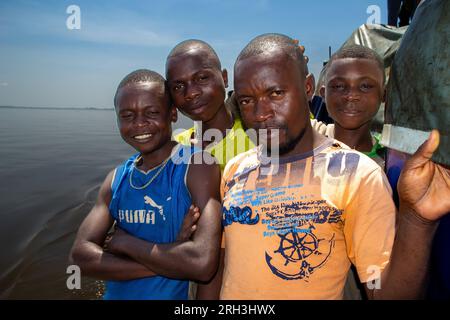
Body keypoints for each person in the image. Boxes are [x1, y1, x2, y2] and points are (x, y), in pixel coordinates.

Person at [202, 33, 450, 299]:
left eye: (275, 93)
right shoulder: (235, 169)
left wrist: (417, 222)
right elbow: (223, 266)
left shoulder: (358, 173)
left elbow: (382, 290)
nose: (261, 113)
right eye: (246, 100)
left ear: (308, 87)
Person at [69, 69, 222, 299]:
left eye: (151, 112)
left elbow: (202, 263)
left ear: (172, 114)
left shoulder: (196, 166)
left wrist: (126, 243)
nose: (139, 124)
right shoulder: (116, 179)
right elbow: (79, 258)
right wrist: (173, 254)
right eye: (127, 115)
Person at [166, 39, 255, 172]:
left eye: (202, 78)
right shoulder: (173, 147)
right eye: (178, 86)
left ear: (224, 78)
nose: (191, 93)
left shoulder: (258, 139)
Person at [319, 45, 387, 168]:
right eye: (339, 86)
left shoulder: (392, 162)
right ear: (323, 94)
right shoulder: (306, 143)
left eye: (365, 86)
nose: (351, 96)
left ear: (383, 94)